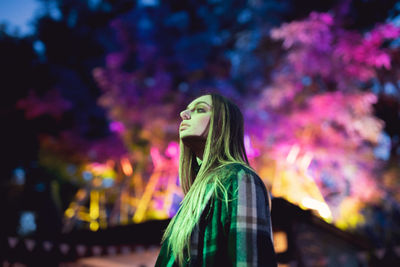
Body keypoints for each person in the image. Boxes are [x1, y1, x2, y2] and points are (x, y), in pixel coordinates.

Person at [155, 93, 277, 267]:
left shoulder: (240, 179)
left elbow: (249, 261)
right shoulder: (191, 200)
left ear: (221, 123)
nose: (184, 114)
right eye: (187, 109)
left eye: (200, 109)